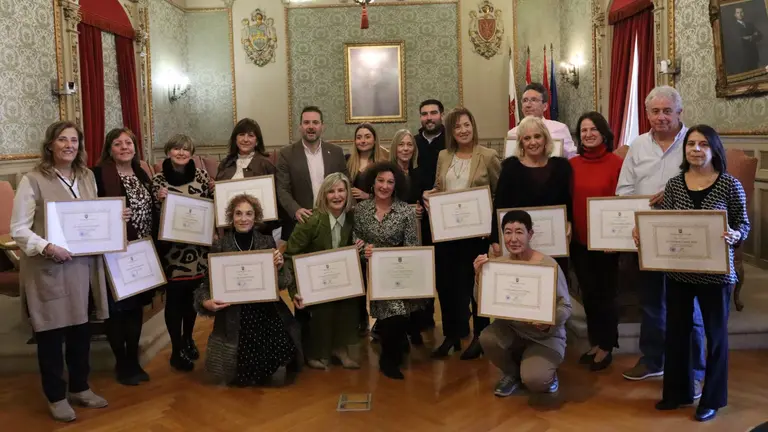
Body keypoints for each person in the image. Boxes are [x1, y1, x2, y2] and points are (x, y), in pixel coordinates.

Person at [10, 121, 128, 422]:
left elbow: (89, 215)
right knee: (50, 334)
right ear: (50, 144)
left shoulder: (86, 175)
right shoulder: (32, 179)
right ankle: (55, 395)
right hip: (48, 267)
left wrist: (115, 216)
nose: (69, 145)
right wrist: (48, 247)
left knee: (80, 332)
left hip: (82, 268)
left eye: (74, 140)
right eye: (62, 140)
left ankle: (79, 387)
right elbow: (19, 229)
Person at [636, 125, 749, 422]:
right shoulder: (674, 185)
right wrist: (644, 233)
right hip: (679, 272)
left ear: (714, 149)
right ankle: (676, 393)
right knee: (676, 334)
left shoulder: (729, 185)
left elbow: (744, 224)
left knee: (715, 335)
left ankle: (711, 399)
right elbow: (667, 223)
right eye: (691, 144)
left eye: (702, 144)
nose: (696, 149)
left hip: (717, 275)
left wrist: (735, 235)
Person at [616, 86, 706, 388]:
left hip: (687, 236)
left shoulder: (696, 142)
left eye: (668, 110)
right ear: (647, 114)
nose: (661, 116)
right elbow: (623, 191)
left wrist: (675, 193)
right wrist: (634, 222)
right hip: (649, 237)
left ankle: (693, 370)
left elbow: (711, 182)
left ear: (680, 113)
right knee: (652, 302)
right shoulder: (637, 146)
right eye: (655, 111)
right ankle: (654, 359)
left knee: (688, 303)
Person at [194, 194, 301, 386]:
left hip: (264, 308)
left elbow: (283, 282)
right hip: (234, 312)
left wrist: (279, 266)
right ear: (231, 217)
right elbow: (205, 285)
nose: (243, 218)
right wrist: (205, 302)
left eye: (249, 214)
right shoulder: (220, 246)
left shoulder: (267, 242)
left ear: (256, 217)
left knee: (280, 346)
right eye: (238, 213)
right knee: (239, 376)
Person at [423, 107, 500, 360]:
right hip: (447, 235)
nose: (463, 130)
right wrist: (429, 196)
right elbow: (439, 187)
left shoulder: (488, 156)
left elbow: (498, 195)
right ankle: (452, 335)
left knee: (474, 286)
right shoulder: (444, 156)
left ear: (473, 126)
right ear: (451, 132)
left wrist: (492, 235)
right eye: (457, 127)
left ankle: (480, 336)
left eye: (467, 125)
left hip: (475, 236)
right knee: (447, 286)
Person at [475, 210, 572, 398]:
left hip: (545, 337)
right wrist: (479, 278)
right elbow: (482, 303)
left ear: (530, 234)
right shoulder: (498, 265)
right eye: (508, 232)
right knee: (487, 337)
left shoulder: (549, 265)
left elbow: (566, 307)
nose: (513, 238)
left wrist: (549, 321)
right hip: (513, 331)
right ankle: (512, 373)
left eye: (519, 232)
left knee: (536, 381)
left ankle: (545, 374)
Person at [92, 127, 157, 386]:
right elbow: (91, 209)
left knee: (136, 308)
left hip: (142, 251)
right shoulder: (99, 175)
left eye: (128, 143)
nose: (124, 147)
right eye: (117, 144)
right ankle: (122, 362)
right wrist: (112, 215)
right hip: (115, 252)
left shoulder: (141, 172)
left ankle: (133, 358)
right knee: (117, 310)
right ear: (109, 149)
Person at [283, 173, 364, 370]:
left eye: (341, 190)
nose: (337, 196)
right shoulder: (312, 220)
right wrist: (295, 291)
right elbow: (290, 255)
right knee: (321, 311)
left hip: (340, 279)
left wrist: (359, 248)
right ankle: (316, 352)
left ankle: (339, 349)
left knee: (348, 305)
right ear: (324, 195)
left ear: (347, 193)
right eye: (331, 191)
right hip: (313, 282)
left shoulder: (352, 218)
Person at [354, 162, 422, 379]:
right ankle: (391, 351)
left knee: (398, 314)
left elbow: (412, 246)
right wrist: (364, 248)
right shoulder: (360, 210)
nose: (384, 186)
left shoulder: (405, 211)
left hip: (398, 273)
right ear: (372, 183)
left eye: (390, 182)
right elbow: (355, 238)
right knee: (388, 316)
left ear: (396, 185)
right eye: (380, 181)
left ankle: (389, 357)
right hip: (372, 272)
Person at [151, 134, 213, 372]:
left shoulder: (202, 176)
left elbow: (210, 206)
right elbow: (155, 214)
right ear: (168, 151)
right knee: (175, 301)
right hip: (173, 252)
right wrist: (159, 200)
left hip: (197, 251)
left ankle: (188, 338)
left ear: (192, 152)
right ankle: (176, 349)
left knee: (192, 300)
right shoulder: (158, 180)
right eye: (176, 148)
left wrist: (217, 190)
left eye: (186, 149)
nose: (181, 152)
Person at [568, 112, 623, 371]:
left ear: (604, 132)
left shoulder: (617, 163)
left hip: (607, 243)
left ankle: (607, 345)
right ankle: (595, 341)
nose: (588, 134)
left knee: (606, 295)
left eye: (593, 129)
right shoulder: (572, 164)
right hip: (579, 241)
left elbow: (623, 203)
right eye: (583, 130)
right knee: (588, 295)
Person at [490, 116, 572, 277]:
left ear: (545, 138)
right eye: (527, 138)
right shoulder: (510, 168)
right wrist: (495, 238)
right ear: (520, 142)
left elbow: (567, 200)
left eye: (537, 136)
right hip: (518, 244)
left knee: (553, 285)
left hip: (554, 243)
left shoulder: (562, 167)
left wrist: (569, 222)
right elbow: (499, 204)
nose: (533, 142)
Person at [276, 106, 348, 241]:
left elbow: (346, 183)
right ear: (300, 126)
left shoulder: (336, 152)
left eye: (315, 122)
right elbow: (282, 189)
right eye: (306, 122)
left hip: (331, 221)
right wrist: (295, 210)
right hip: (299, 223)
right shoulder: (286, 154)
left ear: (322, 126)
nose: (311, 126)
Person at [390, 129, 427, 345]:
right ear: (395, 148)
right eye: (401, 144)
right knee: (397, 280)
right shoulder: (388, 174)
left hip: (415, 233)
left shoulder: (418, 174)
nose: (405, 149)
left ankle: (415, 326)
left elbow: (422, 199)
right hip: (393, 236)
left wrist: (421, 208)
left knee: (414, 278)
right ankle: (396, 327)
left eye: (409, 145)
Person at [215, 118, 284, 236]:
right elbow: (220, 197)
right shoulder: (225, 164)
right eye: (241, 135)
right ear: (235, 139)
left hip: (260, 230)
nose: (245, 139)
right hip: (231, 229)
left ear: (257, 141)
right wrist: (214, 190)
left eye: (251, 135)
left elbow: (278, 197)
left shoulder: (266, 164)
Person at [414, 99, 445, 331]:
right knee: (422, 267)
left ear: (441, 115)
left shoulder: (451, 141)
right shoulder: (413, 144)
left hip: (446, 217)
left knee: (445, 271)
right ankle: (424, 317)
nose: (429, 117)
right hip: (419, 216)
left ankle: (454, 317)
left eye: (433, 113)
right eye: (424, 114)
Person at [507, 83, 576, 158]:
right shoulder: (512, 134)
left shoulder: (559, 128)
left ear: (545, 106)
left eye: (533, 100)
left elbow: (571, 157)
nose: (528, 105)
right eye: (525, 100)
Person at [346, 122, 389, 203]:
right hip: (351, 210)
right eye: (359, 137)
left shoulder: (383, 164)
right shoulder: (347, 160)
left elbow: (389, 193)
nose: (363, 141)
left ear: (375, 140)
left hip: (375, 209)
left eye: (367, 137)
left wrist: (368, 196)